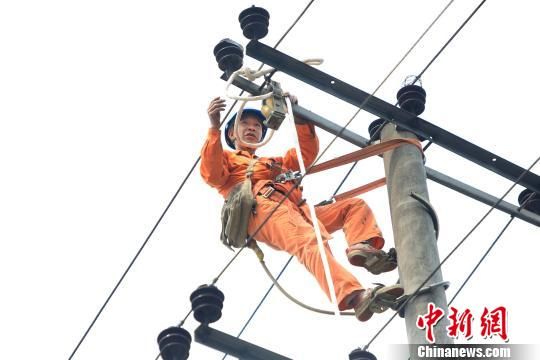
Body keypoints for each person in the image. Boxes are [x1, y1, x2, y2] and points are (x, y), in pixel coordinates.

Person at [200, 96, 403, 321]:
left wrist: (298, 116)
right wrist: (214, 127)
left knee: (352, 206)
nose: (252, 128)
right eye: (245, 124)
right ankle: (354, 297)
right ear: (231, 133)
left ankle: (363, 248)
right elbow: (212, 173)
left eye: (257, 125)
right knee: (310, 242)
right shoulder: (227, 158)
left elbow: (305, 154)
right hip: (262, 208)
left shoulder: (273, 162)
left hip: (297, 210)